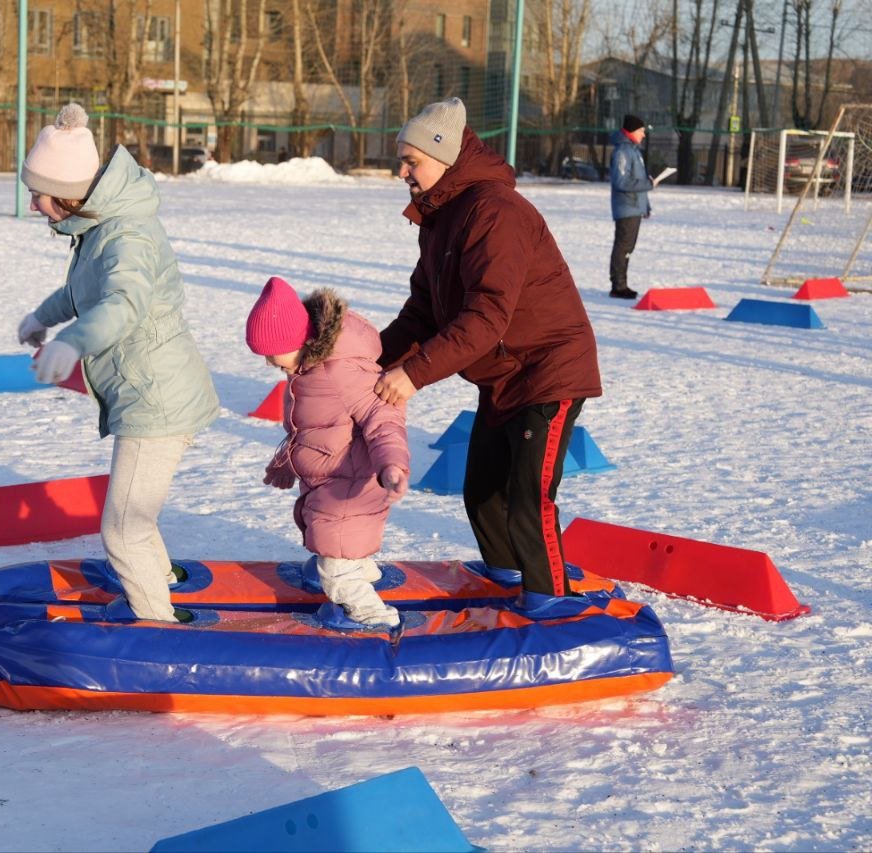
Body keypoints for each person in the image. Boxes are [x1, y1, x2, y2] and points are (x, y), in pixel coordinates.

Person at [374, 98, 602, 601]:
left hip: (547, 368)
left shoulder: (495, 213)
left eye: (412, 160)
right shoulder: (440, 217)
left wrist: (413, 374)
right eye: (401, 160)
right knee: (481, 494)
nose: (402, 171)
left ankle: (551, 600)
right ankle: (507, 581)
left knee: (527, 498)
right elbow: (423, 312)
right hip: (502, 372)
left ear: (446, 157)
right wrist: (364, 359)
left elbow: (486, 315)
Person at [16, 103, 219, 623]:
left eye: (38, 192)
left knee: (122, 525)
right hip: (145, 389)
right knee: (135, 511)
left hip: (156, 398)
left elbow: (121, 303)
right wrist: (44, 316)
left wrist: (72, 343)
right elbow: (84, 290)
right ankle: (159, 585)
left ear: (68, 192)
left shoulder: (125, 237)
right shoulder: (99, 226)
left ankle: (157, 624)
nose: (34, 204)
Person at [248, 277, 409, 629]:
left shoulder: (340, 372)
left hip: (349, 489)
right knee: (336, 543)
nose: (275, 367)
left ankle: (374, 618)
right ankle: (357, 566)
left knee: (336, 569)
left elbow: (383, 418)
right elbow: (306, 429)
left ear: (302, 340)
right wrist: (285, 464)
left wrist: (392, 463)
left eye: (277, 358)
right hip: (329, 481)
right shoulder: (305, 370)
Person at [607, 114, 653, 299]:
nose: (643, 135)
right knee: (623, 247)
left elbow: (638, 180)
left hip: (635, 206)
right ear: (633, 131)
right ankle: (618, 286)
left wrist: (646, 206)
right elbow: (621, 182)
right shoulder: (622, 152)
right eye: (641, 131)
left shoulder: (633, 150)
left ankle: (621, 284)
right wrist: (649, 185)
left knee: (628, 247)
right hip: (626, 207)